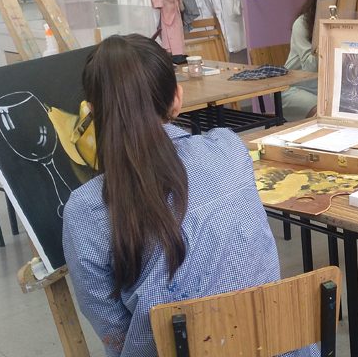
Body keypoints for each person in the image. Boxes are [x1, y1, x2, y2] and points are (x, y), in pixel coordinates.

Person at [62, 35, 315, 357]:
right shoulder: (229, 149)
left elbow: (115, 332)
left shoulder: (85, 210)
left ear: (92, 111)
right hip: (277, 345)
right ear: (177, 99)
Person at [282, 0, 342, 121]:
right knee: (325, 111)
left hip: (325, 90)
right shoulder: (302, 23)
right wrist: (327, 38)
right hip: (295, 88)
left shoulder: (345, 22)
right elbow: (310, 68)